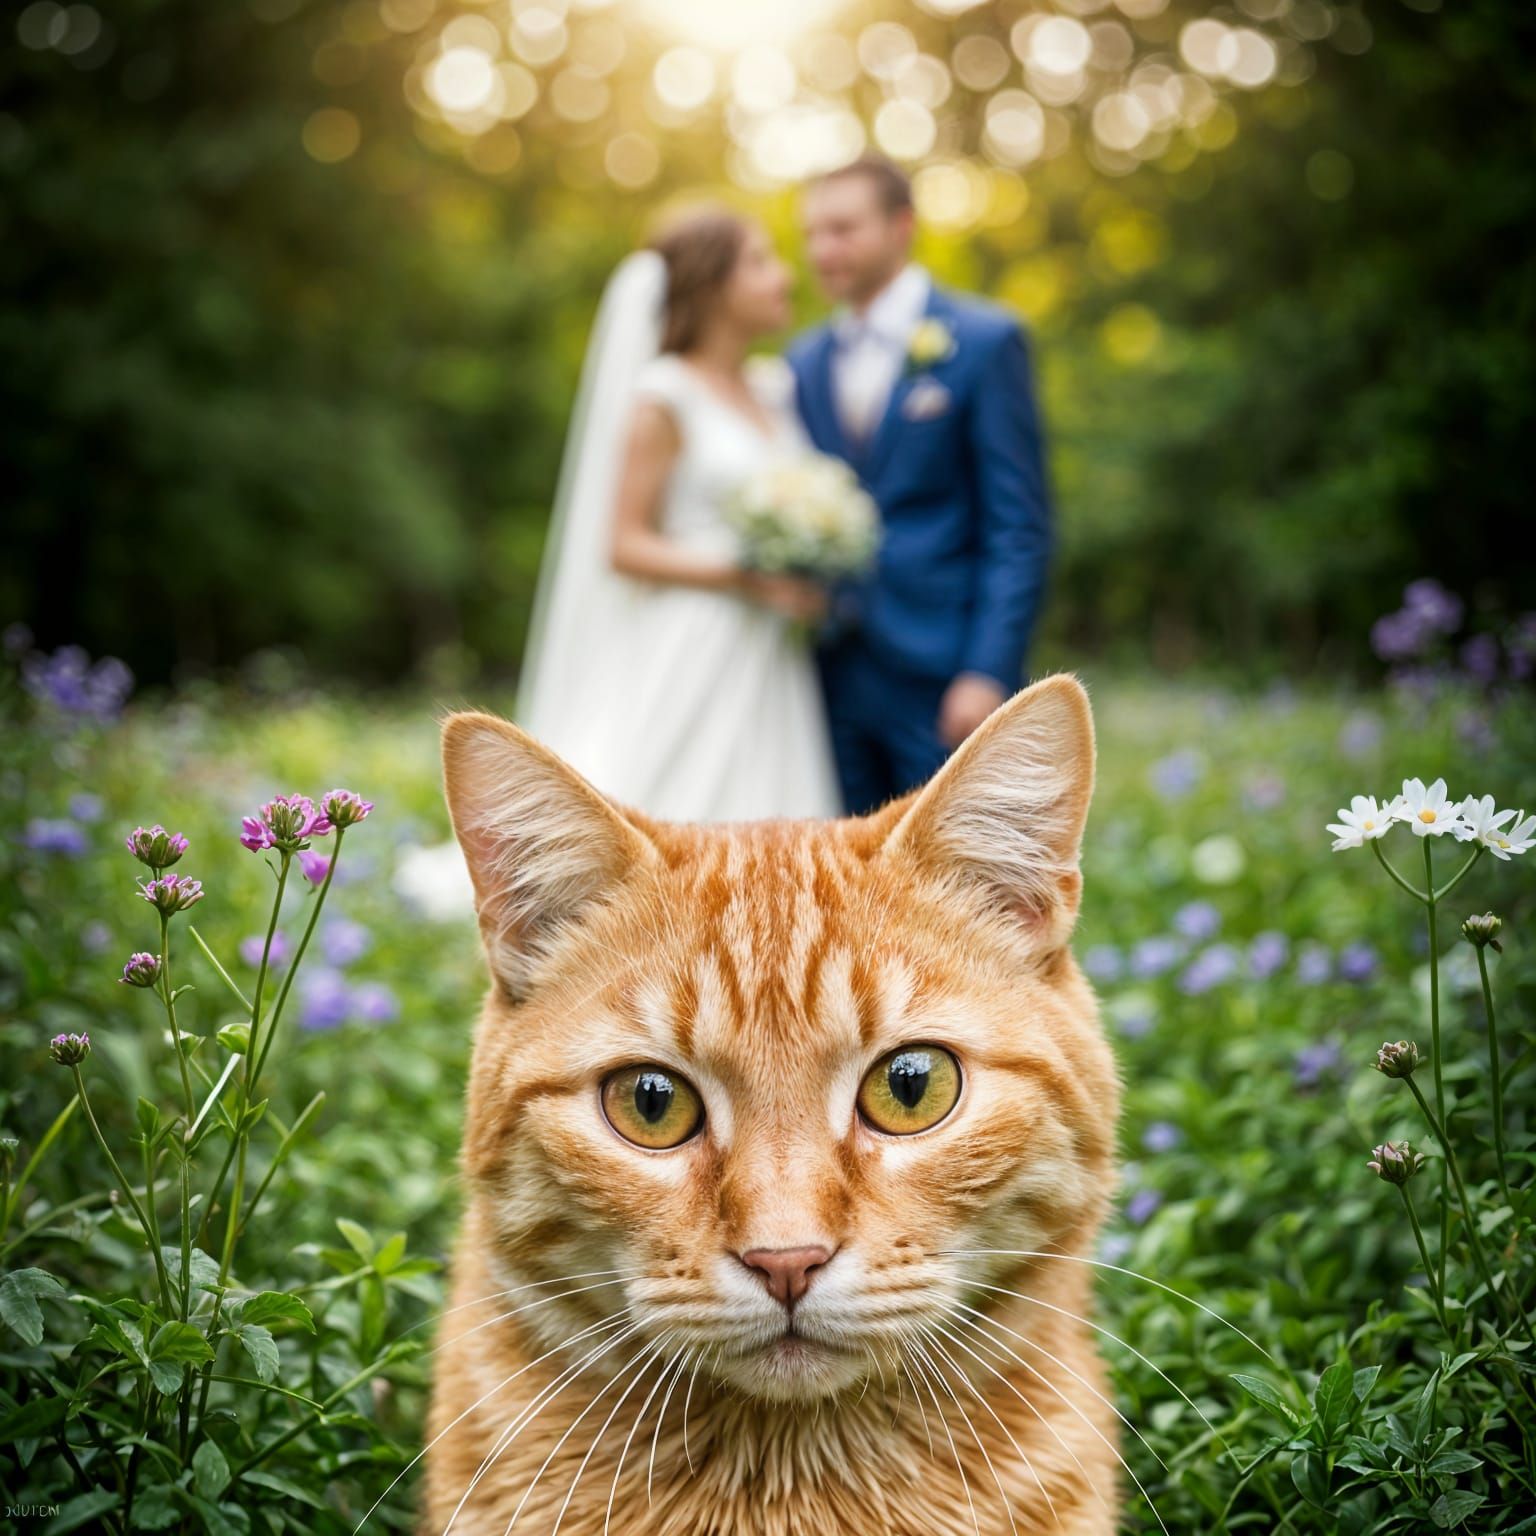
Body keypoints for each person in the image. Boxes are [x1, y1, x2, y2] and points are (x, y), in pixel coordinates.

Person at [516, 208, 843, 822]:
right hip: (697, 634)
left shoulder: (774, 387)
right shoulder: (664, 395)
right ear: (713, 284)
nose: (783, 277)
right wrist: (746, 573)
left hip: (771, 644)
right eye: (760, 261)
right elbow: (624, 544)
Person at [790, 156, 1054, 816]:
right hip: (830, 673)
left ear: (901, 226)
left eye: (843, 229)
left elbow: (1017, 526)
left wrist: (987, 671)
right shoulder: (802, 360)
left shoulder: (986, 341)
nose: (824, 249)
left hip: (945, 672)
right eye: (813, 234)